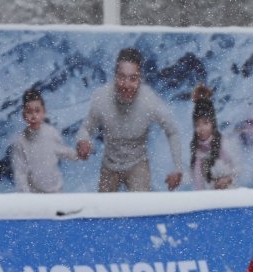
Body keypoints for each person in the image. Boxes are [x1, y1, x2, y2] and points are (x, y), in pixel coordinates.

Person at [75, 47, 183, 192]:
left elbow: (172, 131)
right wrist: (83, 140)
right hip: (109, 166)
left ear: (140, 79)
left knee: (141, 211)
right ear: (115, 76)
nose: (126, 85)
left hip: (137, 165)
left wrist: (177, 168)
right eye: (122, 77)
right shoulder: (101, 98)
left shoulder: (149, 101)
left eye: (133, 78)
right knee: (103, 211)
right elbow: (85, 128)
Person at [9, 89, 78, 193]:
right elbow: (20, 173)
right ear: (24, 116)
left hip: (56, 192)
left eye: (37, 111)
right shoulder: (19, 142)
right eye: (29, 112)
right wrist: (26, 195)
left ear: (44, 113)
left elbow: (63, 151)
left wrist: (78, 154)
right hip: (35, 196)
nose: (33, 116)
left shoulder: (51, 133)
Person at [189, 84, 237, 190]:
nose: (201, 129)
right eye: (197, 125)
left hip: (231, 192)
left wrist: (227, 179)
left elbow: (238, 169)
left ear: (212, 124)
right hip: (211, 196)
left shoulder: (224, 144)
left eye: (205, 123)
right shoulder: (197, 149)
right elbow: (197, 180)